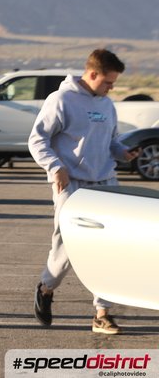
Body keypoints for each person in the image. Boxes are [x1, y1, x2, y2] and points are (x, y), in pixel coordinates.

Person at [29, 49, 140, 335]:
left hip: (105, 183)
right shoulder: (61, 100)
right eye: (107, 82)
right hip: (72, 185)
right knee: (67, 248)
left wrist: (124, 153)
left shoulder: (107, 104)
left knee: (109, 248)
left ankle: (101, 314)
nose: (111, 88)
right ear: (92, 74)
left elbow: (111, 142)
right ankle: (46, 287)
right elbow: (37, 140)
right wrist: (56, 167)